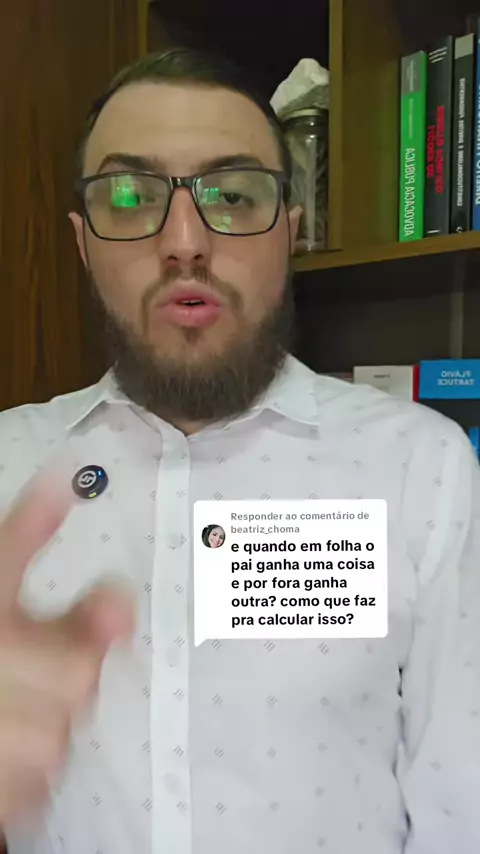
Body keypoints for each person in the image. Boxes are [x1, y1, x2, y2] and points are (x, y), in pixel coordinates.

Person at [0, 46, 478, 854]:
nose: (185, 241)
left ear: (290, 232)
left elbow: (462, 807)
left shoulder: (419, 469)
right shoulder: (9, 468)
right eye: (131, 196)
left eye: (232, 194)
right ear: (82, 245)